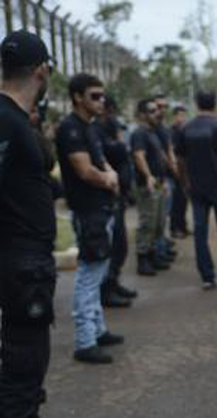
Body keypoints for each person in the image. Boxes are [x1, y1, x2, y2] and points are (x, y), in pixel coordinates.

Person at [0, 30, 76, 418]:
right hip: (18, 259)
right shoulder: (5, 121)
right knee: (23, 361)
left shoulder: (15, 119)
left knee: (34, 355)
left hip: (28, 258)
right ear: (42, 70)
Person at [56, 73, 125, 365]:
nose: (101, 101)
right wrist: (109, 178)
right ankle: (85, 341)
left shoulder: (91, 127)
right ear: (77, 97)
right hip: (89, 211)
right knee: (88, 274)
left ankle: (97, 330)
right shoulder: (71, 128)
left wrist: (110, 173)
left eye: (102, 96)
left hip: (101, 208)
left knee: (97, 272)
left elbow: (100, 160)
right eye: (94, 96)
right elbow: (85, 171)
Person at [174, 90, 217, 289]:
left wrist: (184, 182)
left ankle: (207, 276)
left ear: (196, 104)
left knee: (200, 231)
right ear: (215, 104)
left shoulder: (185, 128)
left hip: (196, 188)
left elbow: (180, 160)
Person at [98, 94, 137, 308]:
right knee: (110, 246)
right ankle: (106, 289)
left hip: (119, 194)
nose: (108, 114)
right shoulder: (94, 131)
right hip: (106, 196)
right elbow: (115, 152)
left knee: (120, 245)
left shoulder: (112, 127)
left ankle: (114, 282)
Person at [131, 97, 170, 276]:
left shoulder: (152, 132)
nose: (157, 113)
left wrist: (166, 178)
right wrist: (148, 176)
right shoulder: (139, 133)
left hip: (159, 183)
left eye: (157, 110)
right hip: (147, 185)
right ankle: (143, 259)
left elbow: (161, 156)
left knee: (159, 222)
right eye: (152, 111)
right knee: (147, 222)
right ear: (142, 115)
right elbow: (139, 156)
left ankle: (153, 255)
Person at [152, 94, 177, 264]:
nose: (162, 110)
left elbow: (169, 148)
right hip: (158, 178)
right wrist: (172, 165)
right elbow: (161, 151)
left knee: (164, 215)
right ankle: (157, 252)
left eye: (164, 107)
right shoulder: (150, 129)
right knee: (157, 217)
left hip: (167, 176)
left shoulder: (163, 127)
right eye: (158, 107)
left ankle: (161, 247)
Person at [169, 104, 191, 238]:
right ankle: (175, 228)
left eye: (184, 115)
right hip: (175, 170)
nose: (182, 118)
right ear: (175, 116)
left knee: (184, 200)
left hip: (185, 170)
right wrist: (175, 167)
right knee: (176, 201)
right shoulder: (171, 131)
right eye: (180, 115)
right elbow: (170, 150)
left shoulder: (185, 130)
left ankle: (183, 226)